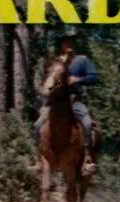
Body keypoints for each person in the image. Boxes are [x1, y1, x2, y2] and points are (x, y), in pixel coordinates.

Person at [35, 29, 99, 171]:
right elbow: (48, 80)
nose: (69, 43)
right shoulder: (55, 62)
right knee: (37, 125)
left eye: (72, 41)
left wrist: (79, 79)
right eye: (66, 41)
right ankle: (38, 159)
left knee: (87, 124)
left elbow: (95, 78)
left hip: (75, 100)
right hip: (55, 102)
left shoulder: (82, 60)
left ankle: (87, 159)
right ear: (61, 44)